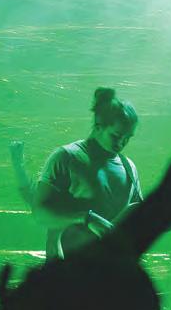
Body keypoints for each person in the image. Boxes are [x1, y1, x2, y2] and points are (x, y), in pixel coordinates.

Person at [32, 87, 142, 259]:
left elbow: (138, 218)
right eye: (116, 136)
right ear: (99, 126)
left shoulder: (130, 168)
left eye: (128, 138)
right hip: (69, 271)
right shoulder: (66, 157)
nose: (122, 143)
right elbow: (40, 214)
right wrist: (86, 218)